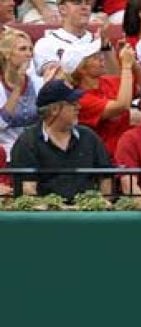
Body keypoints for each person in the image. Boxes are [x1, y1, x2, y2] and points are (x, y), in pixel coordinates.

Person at [11, 79, 113, 199]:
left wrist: (102, 207)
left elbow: (105, 178)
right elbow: (28, 190)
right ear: (54, 109)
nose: (79, 107)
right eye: (73, 104)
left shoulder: (89, 137)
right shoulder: (27, 142)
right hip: (46, 213)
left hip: (87, 214)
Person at [65, 39, 137, 162]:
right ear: (82, 69)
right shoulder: (80, 99)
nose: (101, 58)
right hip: (104, 161)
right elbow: (122, 105)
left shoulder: (107, 81)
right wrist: (126, 66)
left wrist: (133, 62)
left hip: (127, 155)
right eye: (94, 57)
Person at [33, 0, 116, 78]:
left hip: (98, 92)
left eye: (87, 3)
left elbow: (114, 78)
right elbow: (55, 81)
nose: (84, 7)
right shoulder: (46, 43)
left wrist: (104, 45)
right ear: (63, 9)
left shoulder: (100, 41)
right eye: (77, 2)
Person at [0, 29, 44, 160]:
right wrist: (17, 89)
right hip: (6, 152)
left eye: (30, 49)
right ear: (7, 54)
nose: (29, 54)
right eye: (22, 49)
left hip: (37, 151)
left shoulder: (38, 83)